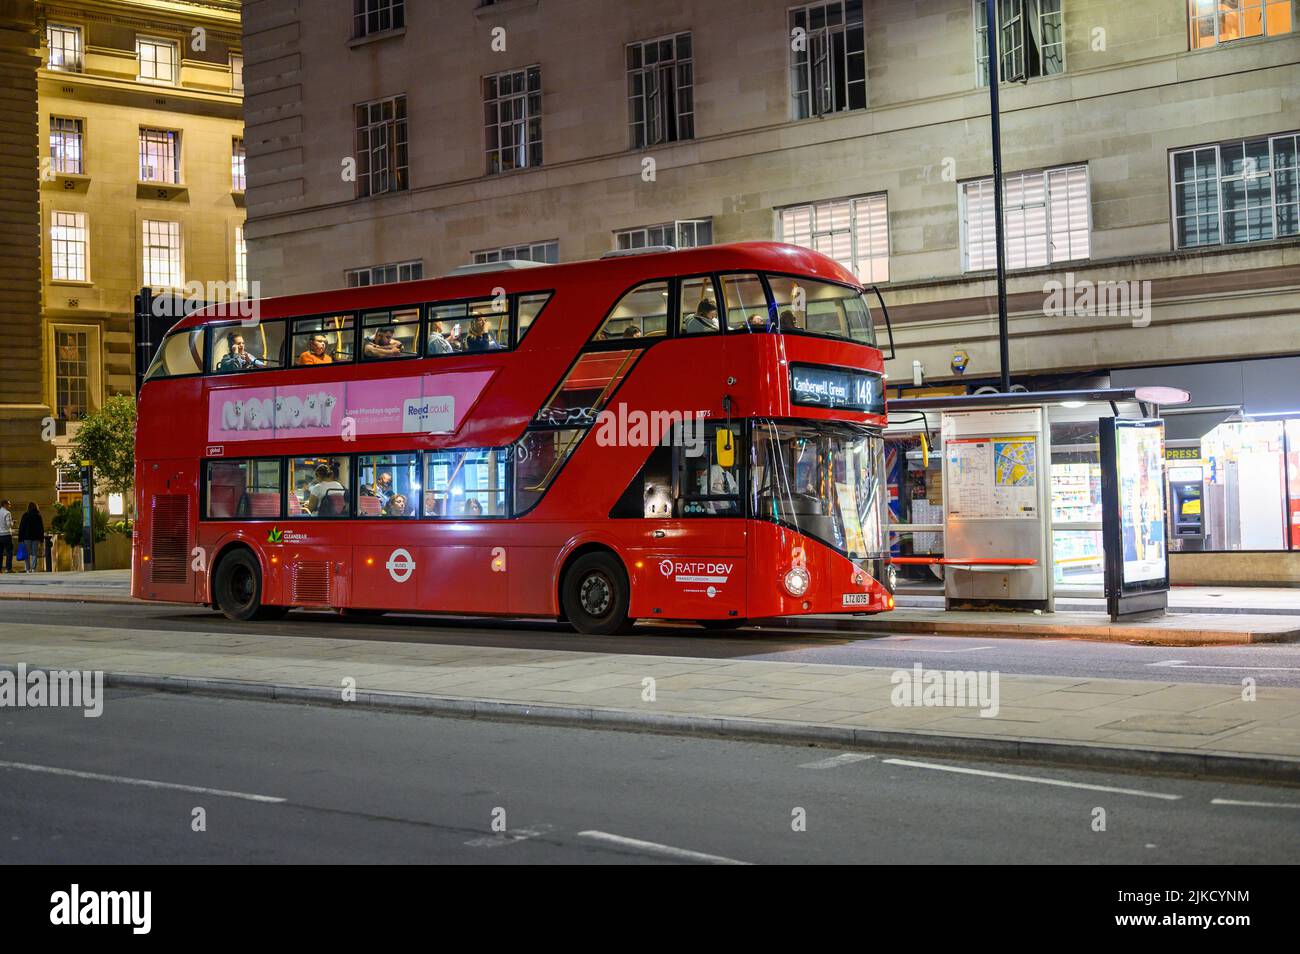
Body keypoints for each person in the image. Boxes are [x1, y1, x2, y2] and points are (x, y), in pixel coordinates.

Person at [18, 502, 44, 573]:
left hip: (26, 537)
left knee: (27, 554)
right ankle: (33, 568)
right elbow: (41, 528)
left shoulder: (25, 515)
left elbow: (21, 528)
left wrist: (20, 539)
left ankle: (27, 569)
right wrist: (41, 539)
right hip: (35, 538)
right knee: (34, 553)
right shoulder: (38, 516)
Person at [0, 500, 13, 574]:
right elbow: (9, 524)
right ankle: (8, 568)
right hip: (6, 534)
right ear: (5, 504)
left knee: (0, 552)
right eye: (9, 504)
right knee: (9, 551)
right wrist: (12, 522)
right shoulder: (7, 513)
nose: (10, 506)